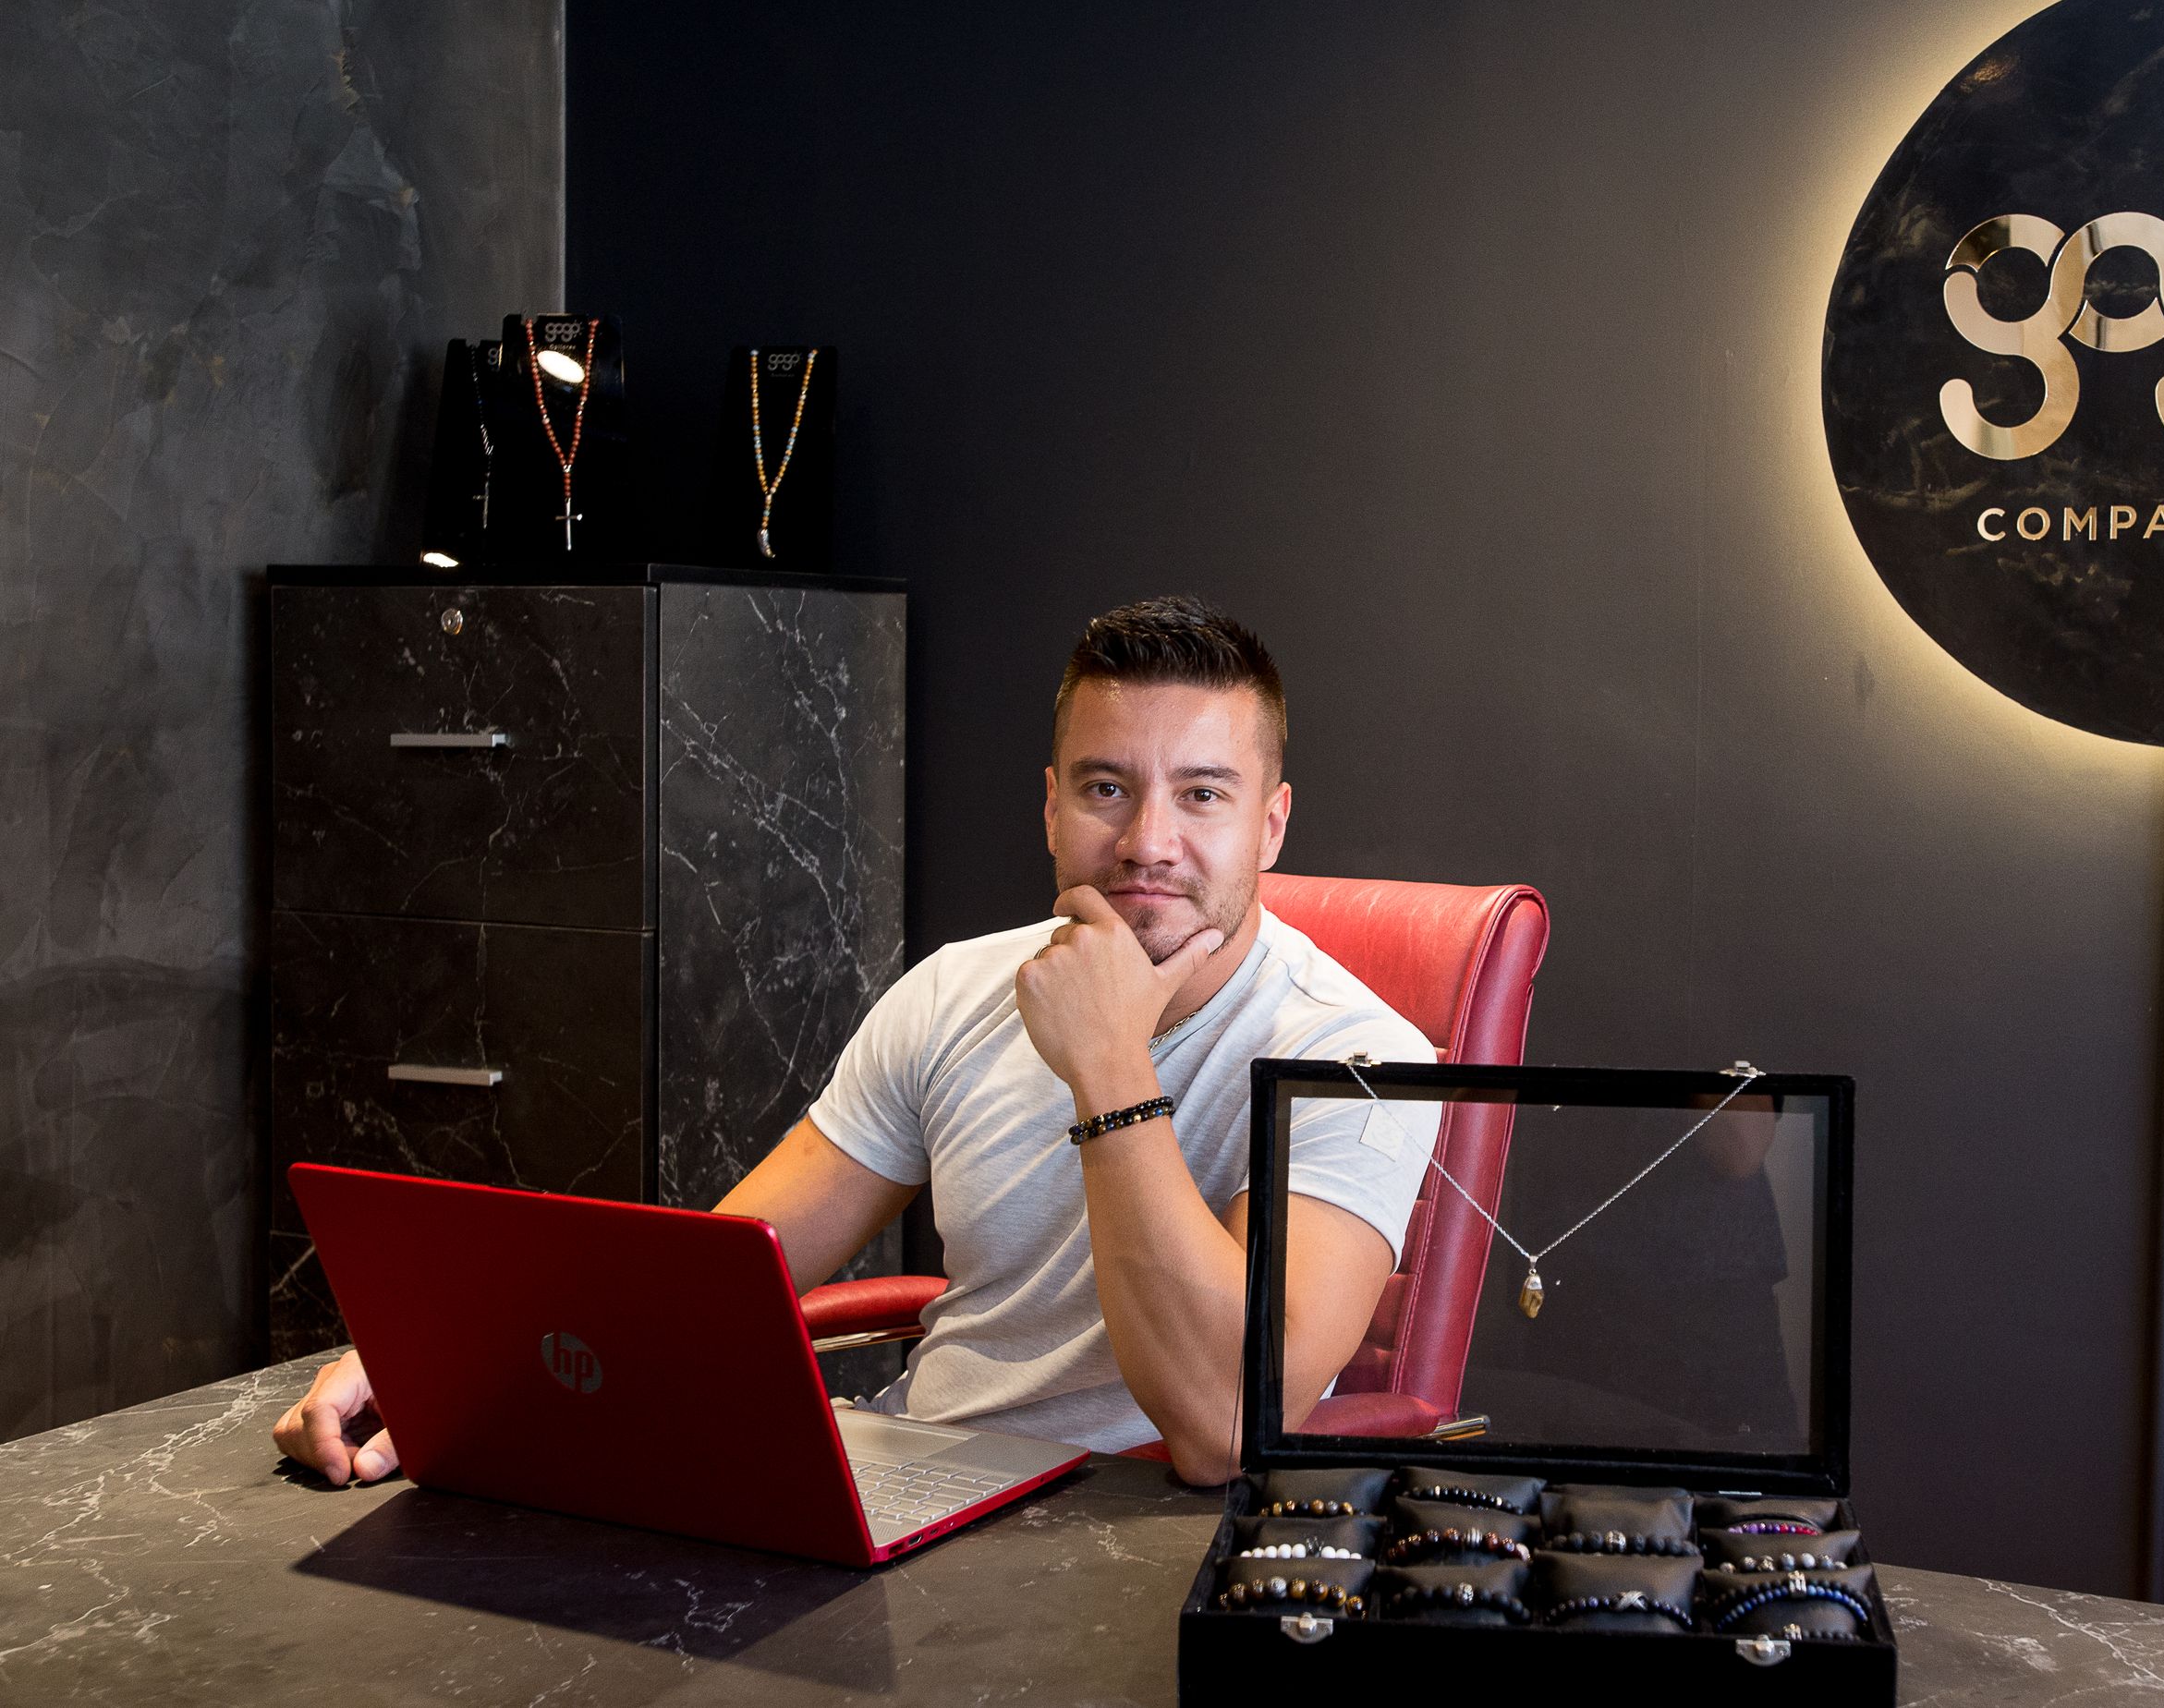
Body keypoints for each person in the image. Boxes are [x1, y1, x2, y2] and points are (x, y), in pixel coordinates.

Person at [273, 597, 1437, 1487]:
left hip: (1133, 1552)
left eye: (1202, 794)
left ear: (1269, 823)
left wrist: (1108, 1063)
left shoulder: (1359, 1058)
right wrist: (447, 1367)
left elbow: (1223, 1425)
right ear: (1049, 806)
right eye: (1104, 788)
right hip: (920, 1489)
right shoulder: (956, 990)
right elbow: (723, 1271)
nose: (1146, 840)